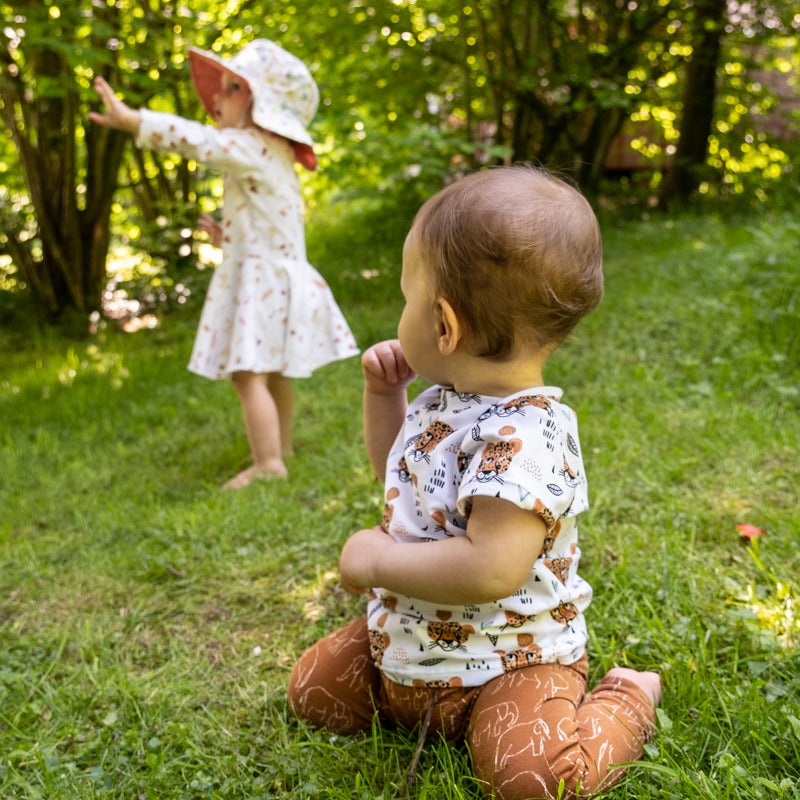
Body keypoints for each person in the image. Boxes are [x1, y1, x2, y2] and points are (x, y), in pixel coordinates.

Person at [288, 166, 661, 800]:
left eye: (406, 298)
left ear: (444, 325)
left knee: (535, 782)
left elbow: (491, 569)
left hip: (511, 665)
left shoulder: (527, 439)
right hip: (408, 641)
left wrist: (376, 561)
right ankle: (413, 695)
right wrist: (385, 397)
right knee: (312, 690)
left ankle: (628, 696)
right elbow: (399, 478)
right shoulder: (445, 401)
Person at [90, 39, 359, 489]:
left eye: (233, 87)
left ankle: (268, 464)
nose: (217, 95)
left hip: (262, 281)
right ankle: (282, 448)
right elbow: (273, 222)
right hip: (277, 274)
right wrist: (228, 237)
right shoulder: (274, 152)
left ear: (260, 104)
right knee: (273, 371)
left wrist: (134, 120)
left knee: (246, 374)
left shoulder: (250, 145)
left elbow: (201, 142)